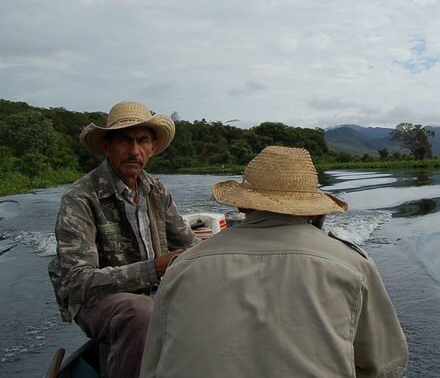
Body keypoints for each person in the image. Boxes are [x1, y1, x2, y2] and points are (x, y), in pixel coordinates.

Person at [141, 146, 409, 378]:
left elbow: (152, 368)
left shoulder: (182, 267)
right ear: (314, 208)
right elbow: (385, 367)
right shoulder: (354, 267)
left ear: (243, 206)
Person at [48, 101, 198, 378]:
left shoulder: (156, 191)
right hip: (94, 299)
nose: (134, 151)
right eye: (124, 141)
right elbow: (78, 281)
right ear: (107, 147)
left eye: (142, 141)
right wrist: (153, 269)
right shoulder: (80, 198)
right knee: (140, 312)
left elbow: (190, 245)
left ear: (152, 148)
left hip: (151, 294)